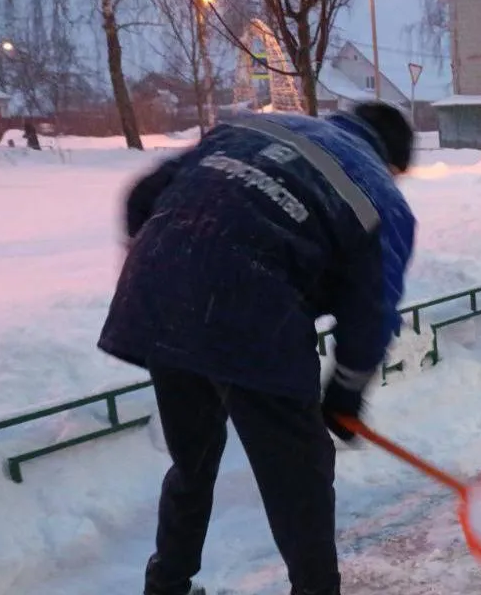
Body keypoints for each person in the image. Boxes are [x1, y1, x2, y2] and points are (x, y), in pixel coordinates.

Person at [97, 102, 418, 595]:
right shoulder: (380, 196)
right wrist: (347, 390)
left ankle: (166, 585)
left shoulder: (252, 127)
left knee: (193, 459)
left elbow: (143, 195)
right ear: (392, 162)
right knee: (301, 479)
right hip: (253, 312)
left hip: (160, 296)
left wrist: (168, 268)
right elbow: (371, 311)